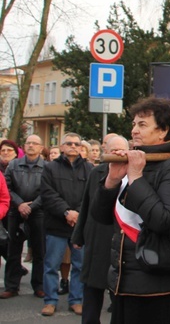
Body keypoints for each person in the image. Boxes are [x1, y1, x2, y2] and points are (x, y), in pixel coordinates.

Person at [91, 97, 170, 324]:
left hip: (162, 284)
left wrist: (136, 178)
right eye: (134, 124)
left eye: (142, 125)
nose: (134, 131)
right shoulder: (135, 162)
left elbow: (164, 219)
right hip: (126, 280)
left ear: (163, 131)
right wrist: (112, 180)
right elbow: (100, 217)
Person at [71, 135, 128, 324]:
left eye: (122, 150)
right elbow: (86, 204)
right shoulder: (97, 173)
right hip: (96, 236)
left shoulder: (133, 173)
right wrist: (78, 236)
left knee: (119, 291)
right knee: (92, 288)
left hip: (119, 239)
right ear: (106, 152)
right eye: (114, 151)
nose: (118, 154)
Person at [40, 133, 93, 317]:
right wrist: (66, 212)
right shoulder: (50, 168)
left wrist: (78, 214)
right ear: (61, 147)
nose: (73, 146)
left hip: (79, 226)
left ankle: (76, 300)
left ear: (81, 147)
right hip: (56, 224)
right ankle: (50, 301)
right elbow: (48, 194)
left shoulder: (89, 169)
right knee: (51, 265)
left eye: (76, 144)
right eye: (68, 143)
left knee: (80, 265)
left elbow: (91, 195)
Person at [2, 134, 46, 299]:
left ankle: (39, 286)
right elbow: (7, 187)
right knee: (13, 250)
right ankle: (11, 286)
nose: (31, 146)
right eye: (28, 143)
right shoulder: (13, 165)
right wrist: (20, 204)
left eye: (35, 143)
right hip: (15, 212)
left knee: (40, 251)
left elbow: (47, 190)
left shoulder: (47, 167)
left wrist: (32, 206)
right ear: (24, 146)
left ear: (41, 148)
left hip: (38, 213)